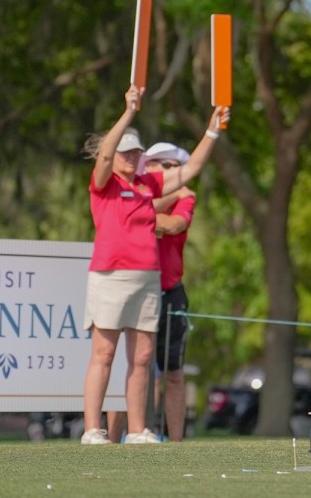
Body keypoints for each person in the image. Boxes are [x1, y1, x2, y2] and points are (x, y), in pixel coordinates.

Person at [79, 86, 227, 445]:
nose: (131, 157)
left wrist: (212, 131)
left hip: (148, 277)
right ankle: (92, 430)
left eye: (136, 152)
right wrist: (128, 112)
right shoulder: (104, 184)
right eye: (126, 152)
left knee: (143, 357)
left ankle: (137, 429)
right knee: (104, 352)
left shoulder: (148, 184)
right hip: (111, 274)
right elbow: (104, 157)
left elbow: (191, 168)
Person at [106, 142, 196, 443]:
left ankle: (176, 442)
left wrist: (142, 217)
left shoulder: (186, 198)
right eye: (160, 165)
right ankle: (112, 438)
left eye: (171, 166)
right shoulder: (142, 191)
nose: (168, 171)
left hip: (170, 291)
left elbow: (174, 224)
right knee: (129, 366)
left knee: (172, 372)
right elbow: (127, 217)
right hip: (134, 285)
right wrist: (151, 209)